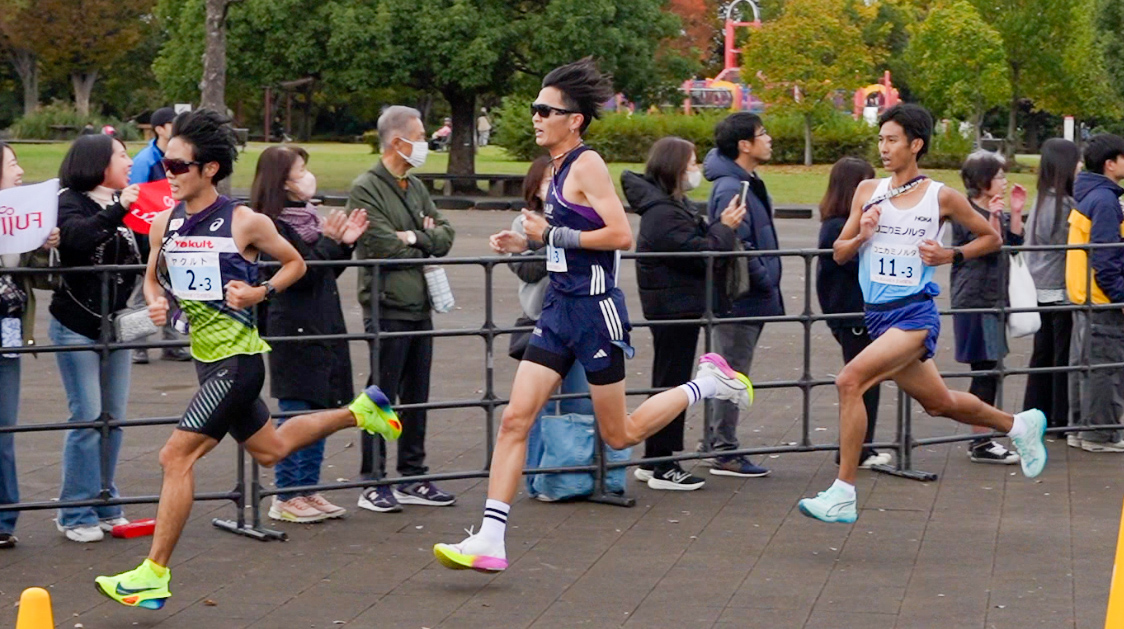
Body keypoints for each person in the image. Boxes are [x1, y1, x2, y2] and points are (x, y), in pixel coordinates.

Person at [434, 58, 752, 572]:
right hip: (559, 309)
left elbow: (619, 235)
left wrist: (549, 235)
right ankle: (491, 538)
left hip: (596, 313)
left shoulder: (587, 164)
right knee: (515, 419)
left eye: (545, 110)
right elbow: (565, 244)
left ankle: (705, 384)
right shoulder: (557, 167)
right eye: (534, 107)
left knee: (619, 435)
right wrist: (525, 244)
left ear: (574, 119)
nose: (535, 116)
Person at [93, 109, 403, 609]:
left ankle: (153, 573)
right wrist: (154, 297)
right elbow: (153, 276)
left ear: (209, 169)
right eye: (165, 166)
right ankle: (361, 411)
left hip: (238, 362)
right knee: (271, 450)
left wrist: (259, 292)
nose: (167, 175)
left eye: (177, 167)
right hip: (206, 360)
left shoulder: (245, 221)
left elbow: (296, 263)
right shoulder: (163, 224)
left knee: (175, 456)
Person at [798, 104, 1047, 524]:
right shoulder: (866, 191)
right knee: (940, 403)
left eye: (892, 139)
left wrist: (951, 253)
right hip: (877, 317)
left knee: (849, 381)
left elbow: (991, 237)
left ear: (916, 144)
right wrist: (862, 234)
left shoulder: (940, 197)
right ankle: (1019, 425)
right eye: (880, 139)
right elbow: (838, 254)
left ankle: (843, 493)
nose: (884, 147)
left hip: (913, 315)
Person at [350, 106, 457, 513]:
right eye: (421, 135)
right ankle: (372, 478)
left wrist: (414, 236)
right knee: (381, 392)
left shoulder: (413, 185)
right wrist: (422, 237)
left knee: (417, 393)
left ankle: (413, 472)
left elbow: (445, 234)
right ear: (399, 142)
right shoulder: (366, 187)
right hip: (387, 303)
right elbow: (379, 244)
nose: (426, 143)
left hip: (420, 303)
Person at [623, 136, 745, 491]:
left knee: (670, 378)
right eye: (691, 163)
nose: (696, 171)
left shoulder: (668, 206)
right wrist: (723, 228)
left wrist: (717, 226)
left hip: (674, 304)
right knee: (672, 383)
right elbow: (698, 253)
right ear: (675, 167)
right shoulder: (663, 212)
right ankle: (663, 463)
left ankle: (656, 457)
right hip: (672, 306)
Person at [251, 146, 366, 523]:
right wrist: (332, 244)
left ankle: (308, 487)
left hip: (323, 322)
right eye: (301, 171)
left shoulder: (308, 220)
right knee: (298, 408)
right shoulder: (271, 224)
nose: (307, 177)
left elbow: (324, 271)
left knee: (323, 404)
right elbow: (301, 271)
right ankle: (286, 493)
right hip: (292, 326)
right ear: (282, 179)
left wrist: (342, 244)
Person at [50, 134, 144, 543]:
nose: (129, 161)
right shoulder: (68, 200)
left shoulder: (129, 202)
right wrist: (118, 211)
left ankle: (107, 501)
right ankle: (74, 512)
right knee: (87, 416)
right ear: (97, 162)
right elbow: (78, 240)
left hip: (117, 324)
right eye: (122, 155)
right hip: (75, 323)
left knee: (112, 419)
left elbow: (146, 251)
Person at [509, 156, 596, 498]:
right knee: (537, 406)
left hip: (579, 318)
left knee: (579, 402)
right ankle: (536, 477)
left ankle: (570, 476)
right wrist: (557, 241)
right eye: (548, 180)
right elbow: (527, 271)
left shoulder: (581, 220)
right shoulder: (523, 223)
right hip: (542, 321)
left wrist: (550, 241)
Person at [699, 111, 777, 478]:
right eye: (763, 134)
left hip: (747, 294)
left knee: (727, 369)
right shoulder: (733, 187)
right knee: (731, 372)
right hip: (742, 297)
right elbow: (737, 242)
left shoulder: (742, 181)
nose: (769, 139)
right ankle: (723, 449)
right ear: (744, 145)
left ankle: (716, 441)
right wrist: (763, 278)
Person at [0, 143, 60, 549]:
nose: (20, 171)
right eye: (12, 163)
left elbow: (45, 281)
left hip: (6, 331)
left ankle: (5, 517)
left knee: (4, 428)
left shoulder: (20, 217)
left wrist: (43, 247)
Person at [816, 157, 891, 469]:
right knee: (863, 382)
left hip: (852, 312)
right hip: (854, 312)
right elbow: (848, 265)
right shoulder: (839, 227)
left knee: (867, 380)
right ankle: (857, 449)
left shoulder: (838, 222)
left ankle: (861, 446)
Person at [952, 151, 1024, 465]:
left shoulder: (994, 208)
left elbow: (1013, 243)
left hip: (994, 300)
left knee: (992, 368)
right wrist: (995, 217)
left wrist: (1016, 212)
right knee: (984, 369)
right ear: (983, 181)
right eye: (999, 177)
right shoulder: (967, 212)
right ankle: (980, 440)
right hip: (975, 300)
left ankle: (982, 438)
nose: (1004, 182)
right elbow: (989, 242)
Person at [1066, 133, 1124, 452]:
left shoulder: (1088, 194)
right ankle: (1100, 434)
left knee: (1083, 367)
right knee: (1106, 369)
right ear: (1110, 164)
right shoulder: (1105, 201)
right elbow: (1106, 256)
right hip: (1101, 299)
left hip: (1083, 296)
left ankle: (1081, 428)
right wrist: (1120, 295)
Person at [1023, 139, 1080, 437]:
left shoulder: (1044, 199)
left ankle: (1036, 413)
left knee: (1042, 355)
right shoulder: (1065, 205)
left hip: (1038, 288)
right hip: (1058, 290)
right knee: (1060, 355)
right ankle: (1058, 417)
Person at [129, 106, 191, 364]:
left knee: (176, 291)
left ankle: (172, 343)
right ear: (159, 129)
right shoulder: (145, 160)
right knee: (142, 294)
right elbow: (134, 198)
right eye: (172, 123)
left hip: (176, 235)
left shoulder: (178, 156)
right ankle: (136, 345)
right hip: (148, 237)